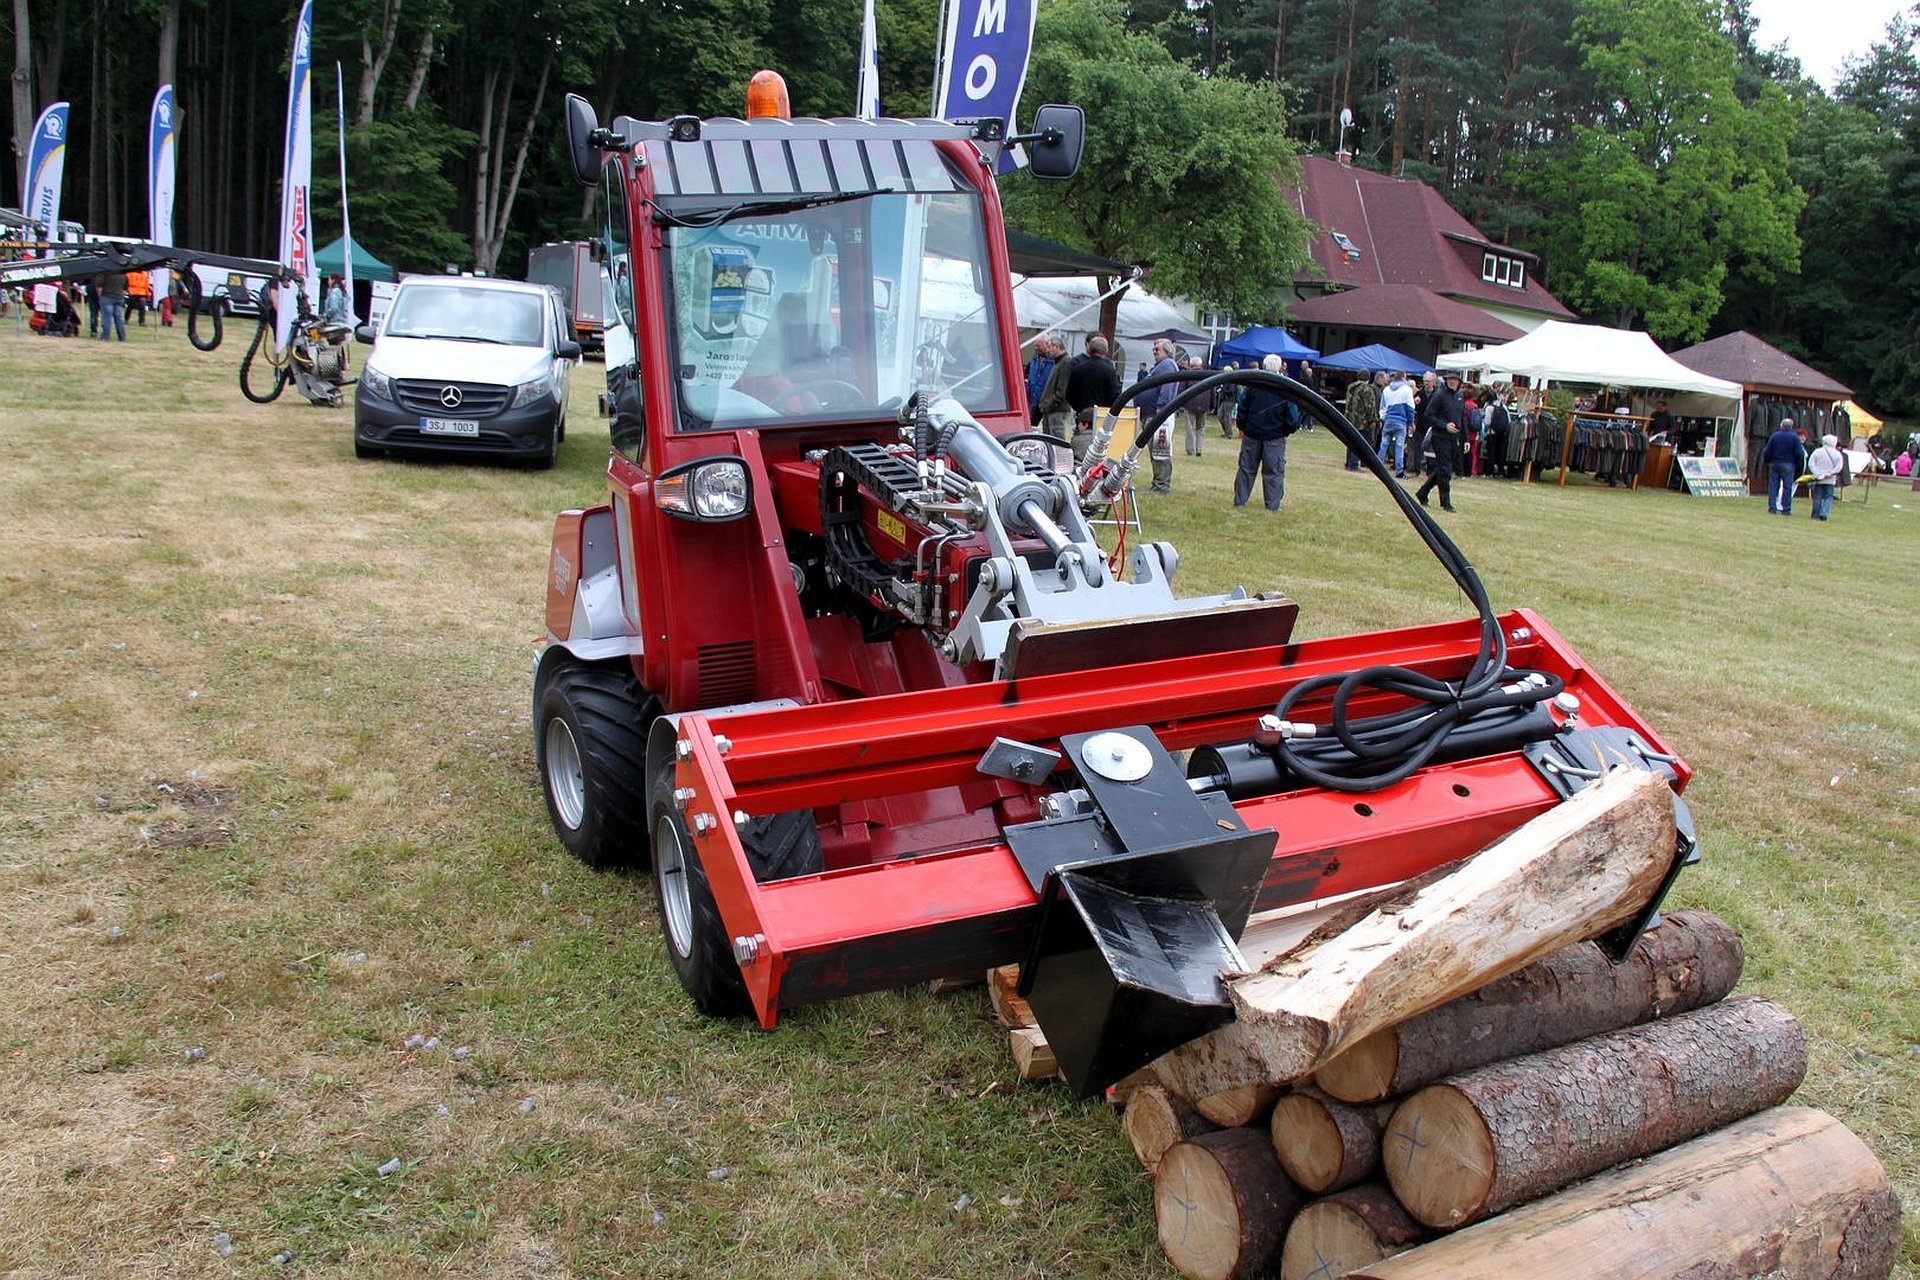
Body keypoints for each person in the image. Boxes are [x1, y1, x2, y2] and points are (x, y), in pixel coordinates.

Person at [1233, 354, 1295, 511]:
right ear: (1280, 367)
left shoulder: (1253, 385)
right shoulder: (1285, 387)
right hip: (1275, 436)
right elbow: (1292, 415)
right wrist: (1286, 430)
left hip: (1252, 434)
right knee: (1273, 472)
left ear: (1263, 365)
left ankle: (1240, 501)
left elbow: (1242, 407)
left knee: (1246, 469)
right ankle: (1272, 505)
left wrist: (1243, 427)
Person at [1415, 369, 1466, 511]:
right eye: (1449, 379)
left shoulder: (1460, 395)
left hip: (1454, 437)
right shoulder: (1439, 394)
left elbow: (1462, 418)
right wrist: (1444, 426)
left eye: (1454, 379)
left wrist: (1466, 439)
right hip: (1440, 436)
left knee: (1444, 468)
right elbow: (1429, 414)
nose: (1452, 381)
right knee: (1445, 470)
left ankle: (1423, 492)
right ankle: (1446, 503)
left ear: (1458, 381)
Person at [1065, 333, 1121, 462]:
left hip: (1082, 415)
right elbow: (1115, 394)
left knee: (1079, 445)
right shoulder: (1109, 370)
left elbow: (1069, 394)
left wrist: (1079, 408)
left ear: (1089, 349)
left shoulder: (1078, 368)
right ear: (1106, 351)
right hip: (1103, 416)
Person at [1139, 338, 1181, 493]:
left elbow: (1167, 388)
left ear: (1167, 351)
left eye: (1157, 349)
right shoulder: (1160, 366)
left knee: (1160, 450)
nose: (1154, 352)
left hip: (1158, 415)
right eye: (1153, 349)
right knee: (1156, 449)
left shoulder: (1167, 365)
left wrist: (1161, 410)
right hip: (1153, 414)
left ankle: (1161, 485)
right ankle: (1158, 482)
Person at [1762, 417, 1806, 515]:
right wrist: (1797, 464)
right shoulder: (1794, 437)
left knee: (1773, 486)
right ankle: (1786, 509)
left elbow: (1767, 451)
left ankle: (1772, 507)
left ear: (1781, 426)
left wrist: (1768, 461)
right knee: (1787, 487)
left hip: (1774, 463)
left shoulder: (1774, 436)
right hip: (1788, 464)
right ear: (1791, 427)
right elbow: (1799, 453)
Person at [1034, 336, 1073, 442]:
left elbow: (1062, 388)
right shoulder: (1057, 362)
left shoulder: (1065, 362)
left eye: (1049, 346)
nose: (1048, 350)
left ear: (1057, 347)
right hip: (1050, 409)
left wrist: (1051, 403)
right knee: (1048, 438)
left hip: (1057, 410)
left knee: (1056, 439)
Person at [1378, 370, 1416, 477]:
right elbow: (1410, 408)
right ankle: (1399, 470)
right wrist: (1411, 422)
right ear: (1403, 377)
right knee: (1399, 446)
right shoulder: (1406, 390)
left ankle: (1378, 466)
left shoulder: (1386, 389)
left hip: (1388, 420)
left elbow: (1382, 407)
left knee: (1384, 444)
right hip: (1401, 421)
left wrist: (1383, 418)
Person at [1344, 370, 1380, 470]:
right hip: (1362, 421)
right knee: (1360, 443)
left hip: (1350, 419)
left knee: (1351, 441)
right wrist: (1373, 419)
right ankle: (1354, 464)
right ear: (1368, 378)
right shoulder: (1367, 390)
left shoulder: (1351, 387)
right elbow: (1370, 406)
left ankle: (1348, 462)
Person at [1808, 433, 1845, 521]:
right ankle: (1824, 513)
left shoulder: (1817, 451)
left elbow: (1811, 464)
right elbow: (1839, 467)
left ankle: (1815, 515)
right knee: (1828, 497)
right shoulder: (1837, 454)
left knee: (1817, 497)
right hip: (1830, 479)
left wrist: (1817, 473)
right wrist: (1830, 473)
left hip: (1819, 478)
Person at [1180, 355, 1211, 457]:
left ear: (1191, 365)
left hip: (1190, 404)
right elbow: (1212, 390)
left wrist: (1181, 403)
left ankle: (1190, 450)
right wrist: (1212, 405)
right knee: (1200, 428)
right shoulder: (1207, 375)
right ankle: (1199, 449)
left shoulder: (1188, 375)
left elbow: (1182, 390)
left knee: (1190, 428)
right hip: (1204, 404)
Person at [1024, 335, 1057, 425]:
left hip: (1047, 403)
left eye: (1038, 346)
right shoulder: (1034, 359)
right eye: (1035, 345)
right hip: (1034, 402)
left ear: (1046, 345)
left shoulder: (1054, 361)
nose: (1036, 348)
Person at [98, 271, 129, 342]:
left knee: (107, 318)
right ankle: (122, 337)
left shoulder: (105, 273)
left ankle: (105, 336)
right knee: (119, 318)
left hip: (107, 296)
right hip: (119, 297)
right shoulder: (123, 274)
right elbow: (125, 287)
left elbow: (99, 287)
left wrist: (100, 297)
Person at [1218, 362, 1240, 438]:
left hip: (1229, 400)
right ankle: (1226, 431)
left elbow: (1231, 390)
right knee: (1220, 415)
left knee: (1226, 416)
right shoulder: (1228, 380)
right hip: (1225, 399)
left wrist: (1222, 390)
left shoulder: (1231, 380)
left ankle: (1229, 433)